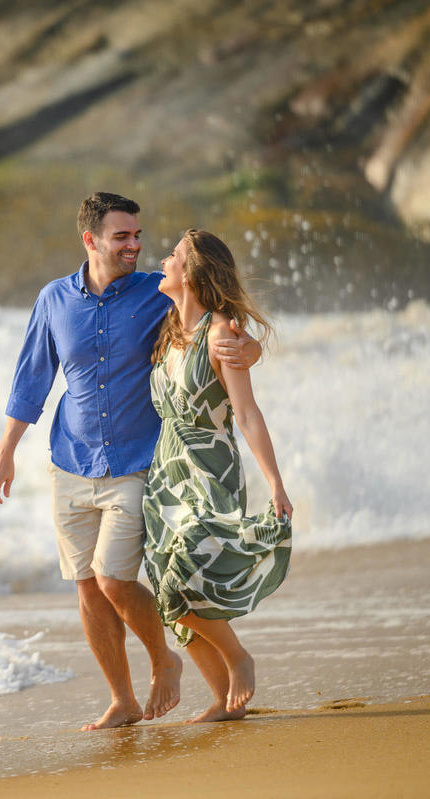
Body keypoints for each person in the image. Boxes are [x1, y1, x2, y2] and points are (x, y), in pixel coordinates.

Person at [0, 194, 261, 730]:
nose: (135, 246)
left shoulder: (153, 294)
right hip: (70, 462)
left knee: (113, 579)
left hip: (138, 463)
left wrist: (250, 350)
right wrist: (5, 452)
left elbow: (217, 321)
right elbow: (31, 380)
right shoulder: (53, 300)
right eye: (122, 237)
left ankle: (164, 660)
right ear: (90, 240)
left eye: (137, 235)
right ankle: (123, 700)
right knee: (87, 586)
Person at [143, 229, 292, 723]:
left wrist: (274, 482)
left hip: (208, 472)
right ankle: (223, 699)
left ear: (191, 271)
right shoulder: (167, 330)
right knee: (175, 598)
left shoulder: (221, 333)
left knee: (180, 582)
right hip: (165, 479)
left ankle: (238, 658)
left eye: (173, 255)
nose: (162, 260)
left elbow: (247, 413)